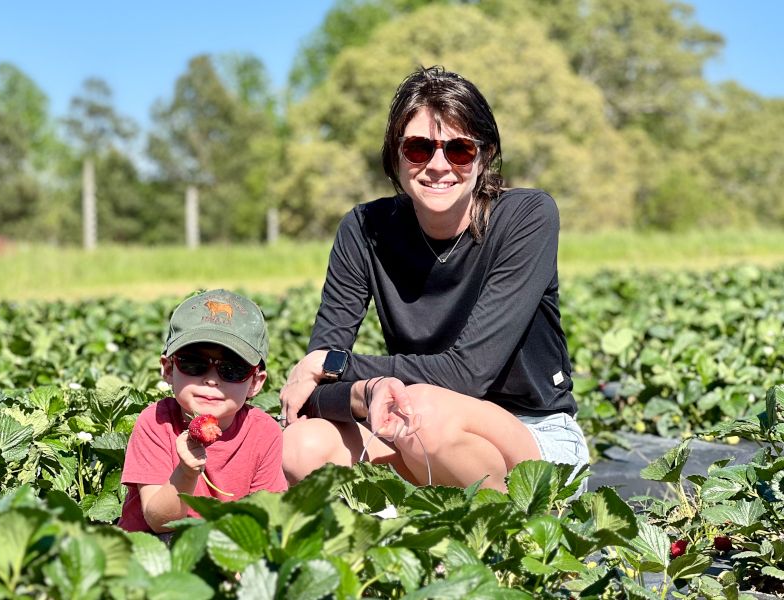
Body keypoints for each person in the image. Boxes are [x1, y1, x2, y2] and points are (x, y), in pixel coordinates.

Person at [279, 65, 589, 493]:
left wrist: (337, 365)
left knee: (426, 414)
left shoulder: (526, 217)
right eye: (419, 148)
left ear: (486, 155)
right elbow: (313, 395)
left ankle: (500, 546)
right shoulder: (364, 229)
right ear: (396, 155)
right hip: (414, 428)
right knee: (302, 445)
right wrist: (365, 390)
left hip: (533, 441)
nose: (438, 166)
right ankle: (404, 543)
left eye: (459, 149)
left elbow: (468, 373)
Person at [119, 289, 287, 533]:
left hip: (230, 545)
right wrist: (186, 472)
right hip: (157, 547)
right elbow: (160, 522)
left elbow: (266, 518)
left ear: (255, 382)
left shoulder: (265, 432)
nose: (211, 380)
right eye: (194, 363)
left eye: (232, 369)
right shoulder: (155, 422)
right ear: (168, 369)